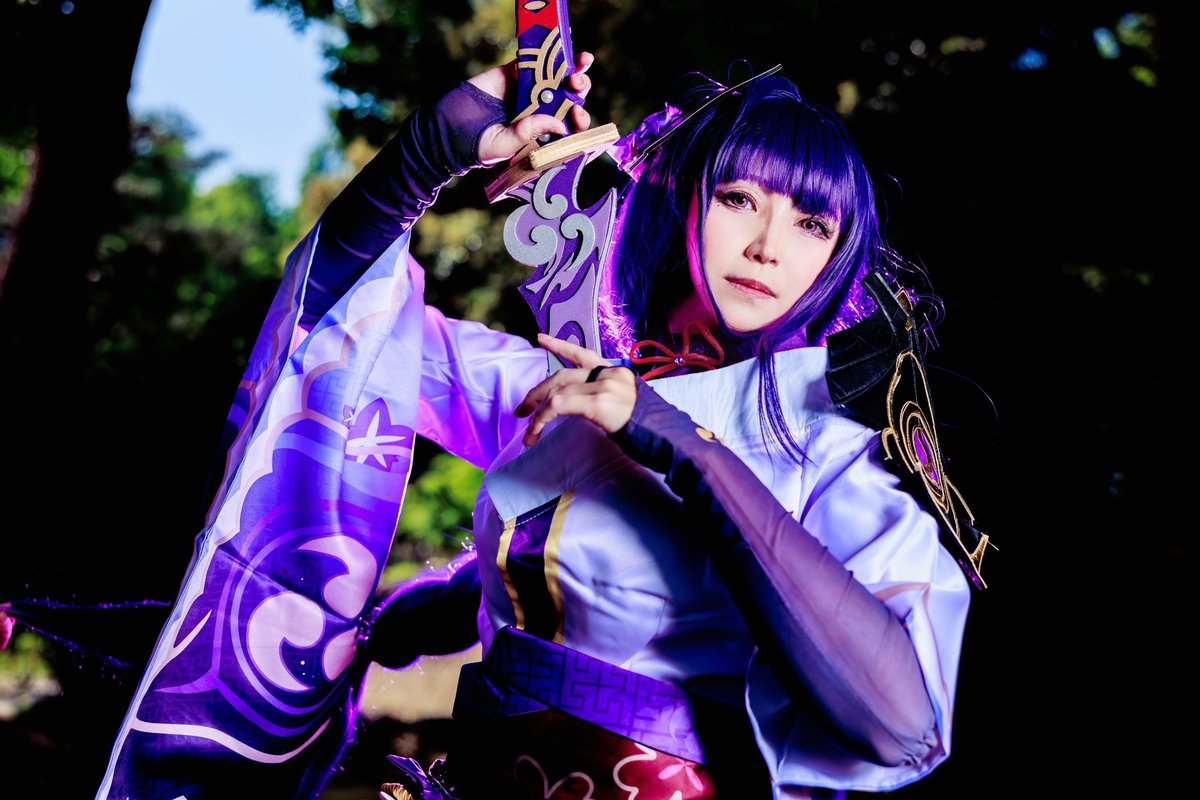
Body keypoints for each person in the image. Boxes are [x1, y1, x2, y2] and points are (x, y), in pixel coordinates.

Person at [343, 51, 974, 800]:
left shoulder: (832, 455)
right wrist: (436, 148)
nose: (769, 246)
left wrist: (681, 445)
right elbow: (348, 331)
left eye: (812, 223)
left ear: (836, 257)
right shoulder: (562, 388)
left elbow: (905, 727)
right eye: (739, 198)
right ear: (684, 202)